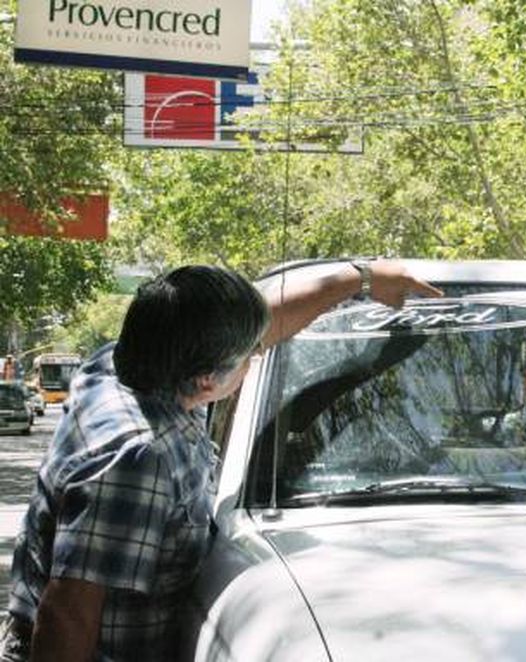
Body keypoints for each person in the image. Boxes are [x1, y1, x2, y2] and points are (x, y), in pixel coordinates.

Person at [0, 260, 442, 662]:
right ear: (207, 381)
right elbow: (68, 615)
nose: (258, 355)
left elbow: (267, 319)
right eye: (251, 355)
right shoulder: (138, 457)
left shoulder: (127, 362)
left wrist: (360, 278)